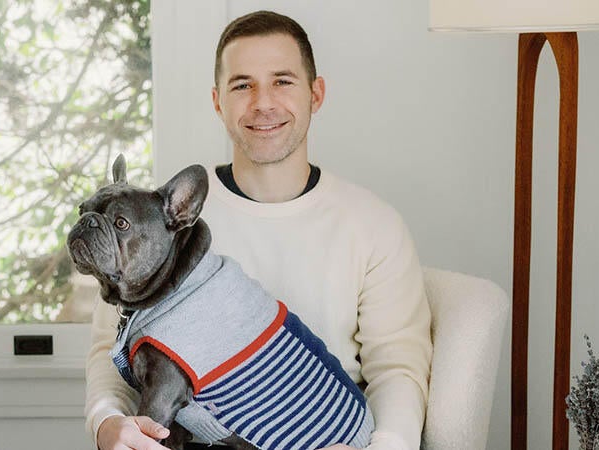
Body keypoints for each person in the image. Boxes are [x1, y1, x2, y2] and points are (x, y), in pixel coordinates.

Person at [85, 10, 432, 450]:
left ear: (316, 93)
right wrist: (105, 423)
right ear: (218, 101)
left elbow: (398, 370)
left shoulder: (375, 225)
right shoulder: (156, 224)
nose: (263, 102)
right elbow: (107, 350)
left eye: (282, 81)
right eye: (242, 85)